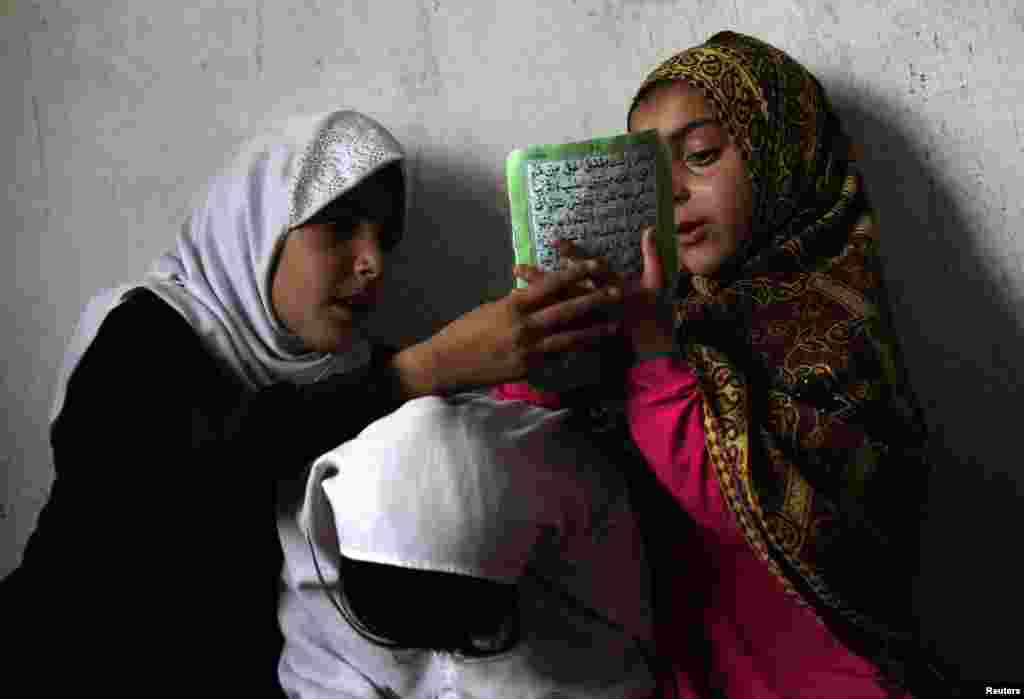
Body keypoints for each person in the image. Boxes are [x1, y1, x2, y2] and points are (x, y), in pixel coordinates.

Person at [0, 110, 623, 695]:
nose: (372, 262)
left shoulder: (351, 371)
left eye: (386, 237)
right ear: (260, 226)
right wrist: (423, 369)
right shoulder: (143, 333)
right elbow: (160, 501)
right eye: (339, 227)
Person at [508, 31, 954, 698]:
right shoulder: (662, 311)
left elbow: (744, 503)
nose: (675, 192)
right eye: (651, 174)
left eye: (701, 156)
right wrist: (548, 340)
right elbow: (539, 455)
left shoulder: (832, 327)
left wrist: (655, 351)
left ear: (783, 157)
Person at [276, 390, 659, 697]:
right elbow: (319, 666)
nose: (439, 658)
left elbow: (609, 670)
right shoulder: (318, 534)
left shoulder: (577, 498)